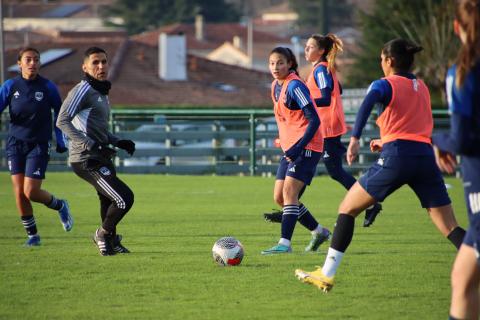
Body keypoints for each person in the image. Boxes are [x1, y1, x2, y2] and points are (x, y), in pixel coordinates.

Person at [294, 38, 466, 291]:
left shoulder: (384, 84)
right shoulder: (423, 87)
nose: (381, 64)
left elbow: (365, 106)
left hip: (398, 156)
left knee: (347, 208)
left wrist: (354, 140)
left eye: (381, 60)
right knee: (450, 227)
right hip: (424, 157)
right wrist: (384, 141)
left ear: (389, 61)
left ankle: (326, 273)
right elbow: (413, 128)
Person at [264, 34, 382, 228]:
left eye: (310, 47)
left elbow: (326, 97)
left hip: (325, 128)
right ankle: (290, 208)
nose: (306, 50)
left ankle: (370, 202)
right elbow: (339, 89)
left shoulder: (320, 70)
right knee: (331, 171)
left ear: (321, 51)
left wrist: (304, 104)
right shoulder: (321, 69)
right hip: (324, 126)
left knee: (333, 171)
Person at [56, 47, 135, 256]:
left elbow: (98, 129)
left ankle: (111, 242)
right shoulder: (82, 90)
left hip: (100, 155)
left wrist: (119, 142)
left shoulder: (101, 91)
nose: (101, 66)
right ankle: (102, 234)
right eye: (95, 63)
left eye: (104, 62)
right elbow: (61, 121)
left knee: (108, 200)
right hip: (86, 159)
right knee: (124, 198)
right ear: (85, 67)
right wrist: (87, 143)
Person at [431, 0, 480, 318]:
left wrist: (437, 139)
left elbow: (462, 139)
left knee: (463, 285)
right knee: (463, 281)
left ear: (457, 27)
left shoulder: (462, 72)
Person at [0, 47, 73, 246]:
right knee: (18, 191)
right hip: (15, 143)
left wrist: (61, 140)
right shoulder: (10, 86)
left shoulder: (47, 87)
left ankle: (60, 205)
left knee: (30, 191)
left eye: (36, 60)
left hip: (39, 144)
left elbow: (60, 114)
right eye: (28, 59)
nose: (32, 63)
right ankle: (33, 236)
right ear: (20, 63)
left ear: (40, 64)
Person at [261, 47, 330, 255]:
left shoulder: (295, 86)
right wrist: (283, 139)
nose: (275, 67)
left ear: (290, 64)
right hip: (291, 148)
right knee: (280, 198)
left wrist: (298, 146)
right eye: (272, 63)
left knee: (289, 193)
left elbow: (314, 119)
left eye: (280, 63)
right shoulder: (275, 85)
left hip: (307, 147)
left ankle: (284, 243)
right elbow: (288, 119)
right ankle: (319, 231)